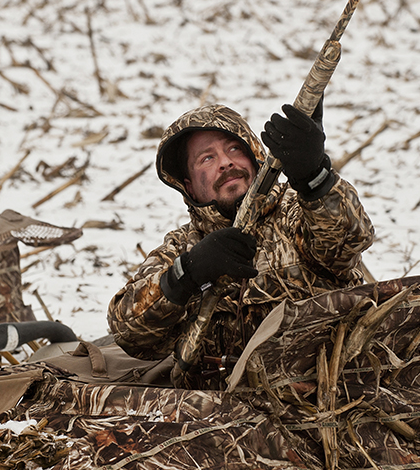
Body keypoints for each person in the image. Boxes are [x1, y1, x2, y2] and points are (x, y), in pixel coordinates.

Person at [107, 102, 375, 387]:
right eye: (207, 159)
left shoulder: (298, 213)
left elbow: (350, 238)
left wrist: (315, 177)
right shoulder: (182, 247)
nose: (225, 162)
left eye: (234, 149)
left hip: (326, 400)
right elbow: (128, 332)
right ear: (188, 186)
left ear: (256, 158)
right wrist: (188, 273)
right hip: (220, 417)